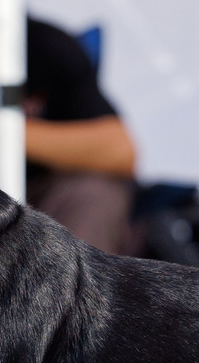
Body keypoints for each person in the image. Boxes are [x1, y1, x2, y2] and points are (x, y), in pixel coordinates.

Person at [22, 16, 140, 254]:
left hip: (40, 198)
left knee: (95, 194)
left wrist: (4, 132)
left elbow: (119, 151)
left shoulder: (42, 43)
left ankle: (72, 290)